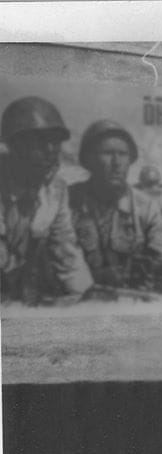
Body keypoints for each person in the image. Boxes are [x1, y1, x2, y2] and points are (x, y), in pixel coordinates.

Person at [69, 119, 162, 293]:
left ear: (130, 160)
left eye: (123, 154)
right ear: (90, 160)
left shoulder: (146, 208)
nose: (117, 162)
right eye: (107, 153)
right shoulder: (68, 201)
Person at [0, 96, 92, 305]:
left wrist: (83, 295)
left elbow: (66, 250)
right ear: (14, 145)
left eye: (55, 141)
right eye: (39, 141)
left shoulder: (55, 190)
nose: (51, 149)